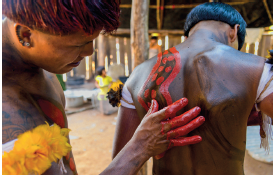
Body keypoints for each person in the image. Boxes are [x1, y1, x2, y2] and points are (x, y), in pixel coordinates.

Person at [2, 0, 204, 174]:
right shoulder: (7, 116)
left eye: (92, 41)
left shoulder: (37, 63)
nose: (89, 52)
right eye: (77, 45)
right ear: (26, 34)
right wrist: (140, 147)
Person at [112, 2, 273, 174]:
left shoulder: (138, 75)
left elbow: (120, 159)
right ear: (234, 31)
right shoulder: (257, 70)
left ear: (189, 32)